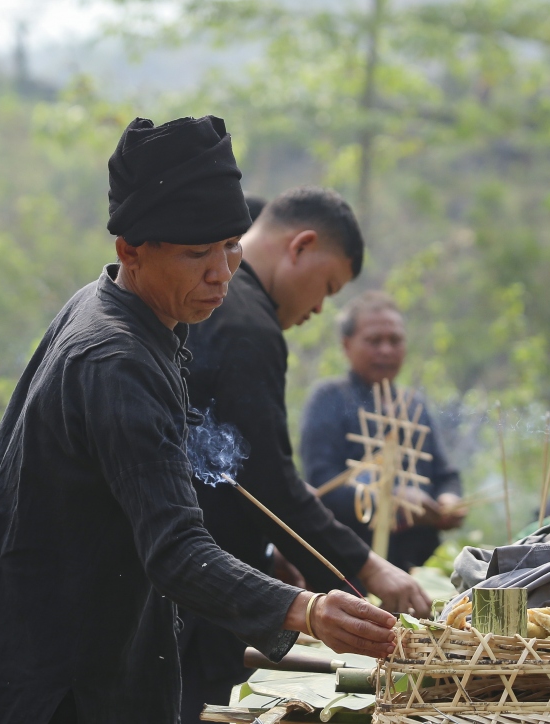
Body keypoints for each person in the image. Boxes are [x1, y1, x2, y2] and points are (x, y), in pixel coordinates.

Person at [0, 116, 397, 724]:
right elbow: (174, 551)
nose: (221, 274)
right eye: (198, 254)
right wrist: (305, 610)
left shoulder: (130, 310)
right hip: (50, 671)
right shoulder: (115, 357)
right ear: (131, 252)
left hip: (76, 643)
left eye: (230, 248)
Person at [180, 188, 430, 721]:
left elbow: (229, 470)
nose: (319, 307)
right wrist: (369, 566)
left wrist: (273, 552)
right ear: (302, 245)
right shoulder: (247, 322)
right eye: (327, 287)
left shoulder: (226, 311)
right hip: (199, 585)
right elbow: (267, 477)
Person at [300, 291, 465, 571]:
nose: (386, 350)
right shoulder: (330, 398)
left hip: (423, 564)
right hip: (355, 563)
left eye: (395, 340)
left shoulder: (413, 403)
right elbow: (322, 483)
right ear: (347, 345)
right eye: (374, 341)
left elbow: (445, 475)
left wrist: (448, 502)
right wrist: (388, 497)